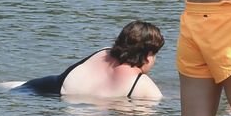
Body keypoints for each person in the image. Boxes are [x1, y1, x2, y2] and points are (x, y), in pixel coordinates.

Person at [18, 21, 165, 100]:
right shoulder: (146, 88)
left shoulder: (102, 53)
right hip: (63, 103)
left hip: (41, 87)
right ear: (148, 55)